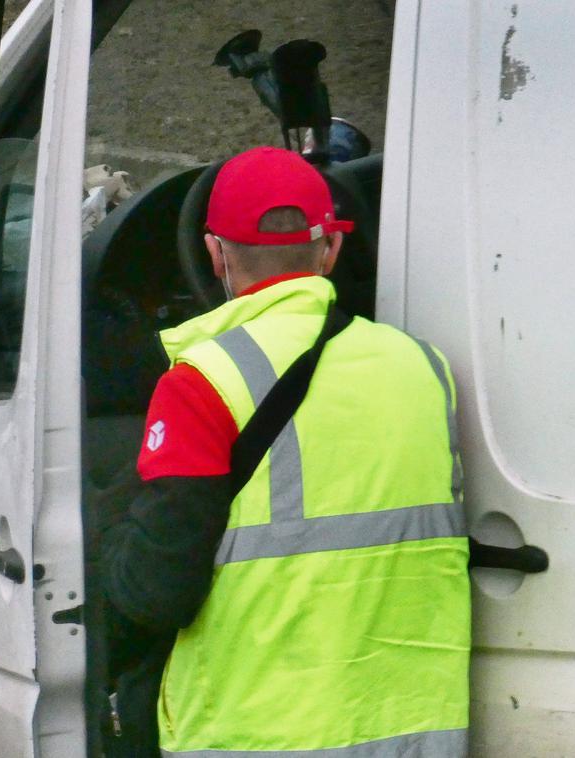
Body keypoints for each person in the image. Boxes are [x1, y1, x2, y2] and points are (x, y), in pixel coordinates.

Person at [101, 145, 471, 757]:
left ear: (214, 253)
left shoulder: (202, 383)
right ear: (331, 248)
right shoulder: (426, 370)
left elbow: (156, 589)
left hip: (257, 738)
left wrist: (110, 539)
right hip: (415, 735)